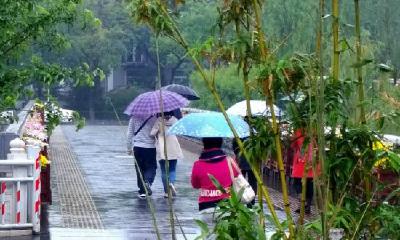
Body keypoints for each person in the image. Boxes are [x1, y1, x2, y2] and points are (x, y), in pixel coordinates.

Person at [191, 137, 240, 227]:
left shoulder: (197, 164)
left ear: (204, 144)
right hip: (227, 207)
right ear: (220, 143)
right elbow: (237, 176)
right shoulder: (230, 162)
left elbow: (195, 185)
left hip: (206, 207)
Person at [150, 111, 183, 198]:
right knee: (172, 169)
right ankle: (171, 183)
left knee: (164, 170)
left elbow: (152, 133)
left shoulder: (159, 120)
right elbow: (179, 131)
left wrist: (158, 131)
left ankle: (166, 192)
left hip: (162, 146)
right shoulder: (175, 120)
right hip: (173, 146)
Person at [127, 115, 157, 199]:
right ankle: (148, 182)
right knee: (151, 167)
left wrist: (129, 148)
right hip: (150, 147)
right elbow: (157, 133)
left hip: (137, 147)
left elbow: (129, 133)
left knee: (139, 168)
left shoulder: (133, 118)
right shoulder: (154, 118)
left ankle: (142, 191)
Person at [290, 129, 314, 214]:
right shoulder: (312, 129)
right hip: (308, 162)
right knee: (307, 185)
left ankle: (304, 205)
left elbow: (292, 145)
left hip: (304, 162)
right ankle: (306, 205)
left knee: (299, 184)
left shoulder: (299, 131)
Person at [232, 137, 257, 206]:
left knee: (239, 181)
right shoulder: (253, 134)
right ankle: (251, 201)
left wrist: (238, 153)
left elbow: (234, 146)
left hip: (241, 160)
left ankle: (239, 200)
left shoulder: (239, 133)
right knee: (252, 181)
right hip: (252, 160)